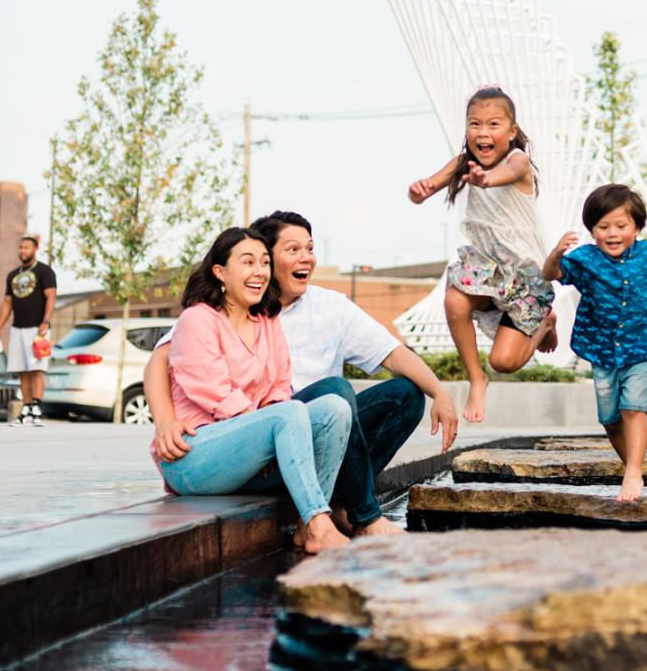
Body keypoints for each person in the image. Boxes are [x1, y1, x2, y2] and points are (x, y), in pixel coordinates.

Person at [146, 211, 458, 539]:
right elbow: (161, 361)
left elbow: (389, 352)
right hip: (239, 431)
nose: (305, 258)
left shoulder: (282, 317)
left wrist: (440, 392)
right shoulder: (206, 316)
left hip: (301, 427)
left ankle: (334, 504)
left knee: (399, 396)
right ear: (224, 271)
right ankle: (357, 514)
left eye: (309, 249)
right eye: (292, 250)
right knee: (331, 393)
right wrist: (166, 421)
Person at [152, 227, 352, 554]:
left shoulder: (266, 321)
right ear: (220, 272)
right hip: (191, 457)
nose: (259, 271)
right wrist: (268, 429)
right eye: (247, 262)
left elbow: (278, 386)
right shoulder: (197, 320)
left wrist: (267, 429)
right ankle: (319, 523)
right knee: (288, 413)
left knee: (334, 409)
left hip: (247, 459)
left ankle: (307, 529)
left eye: (263, 262)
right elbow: (214, 392)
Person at [542, 185, 647, 502]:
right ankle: (635, 467)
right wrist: (555, 254)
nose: (612, 233)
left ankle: (632, 472)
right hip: (601, 350)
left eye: (621, 226)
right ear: (592, 229)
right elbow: (551, 273)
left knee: (633, 408)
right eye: (603, 227)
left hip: (641, 347)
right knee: (610, 419)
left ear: (636, 227)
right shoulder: (585, 259)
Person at [408, 86, 558, 423]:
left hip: (524, 277)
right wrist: (418, 191)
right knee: (454, 301)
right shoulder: (464, 162)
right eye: (475, 124)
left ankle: (545, 323)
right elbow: (426, 188)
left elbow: (501, 175)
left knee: (504, 362)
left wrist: (485, 180)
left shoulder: (517, 162)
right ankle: (477, 379)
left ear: (511, 132)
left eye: (493, 125)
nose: (483, 133)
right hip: (488, 270)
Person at [0, 235, 56, 427]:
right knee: (22, 370)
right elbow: (7, 303)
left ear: (35, 249)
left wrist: (46, 320)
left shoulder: (44, 271)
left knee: (36, 369)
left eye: (26, 247)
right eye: (20, 247)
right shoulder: (13, 275)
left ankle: (36, 408)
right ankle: (27, 408)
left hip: (38, 328)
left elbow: (51, 297)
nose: (23, 251)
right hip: (17, 328)